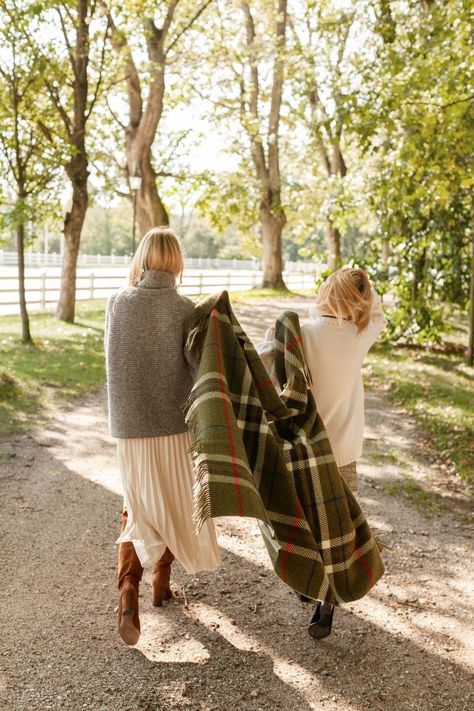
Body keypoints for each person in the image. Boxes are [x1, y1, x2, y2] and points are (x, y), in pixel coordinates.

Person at [105, 226, 221, 646]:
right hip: (174, 426)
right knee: (173, 502)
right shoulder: (187, 309)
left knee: (135, 504)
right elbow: (199, 371)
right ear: (176, 263)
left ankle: (128, 592)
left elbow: (113, 367)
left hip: (131, 430)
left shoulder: (117, 303)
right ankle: (161, 582)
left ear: (142, 257)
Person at [300, 267, 386, 638]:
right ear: (359, 301)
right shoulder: (359, 335)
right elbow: (379, 313)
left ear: (324, 295)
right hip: (345, 451)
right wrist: (363, 283)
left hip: (306, 448)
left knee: (306, 518)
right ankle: (327, 602)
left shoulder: (303, 333)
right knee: (339, 523)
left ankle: (308, 579)